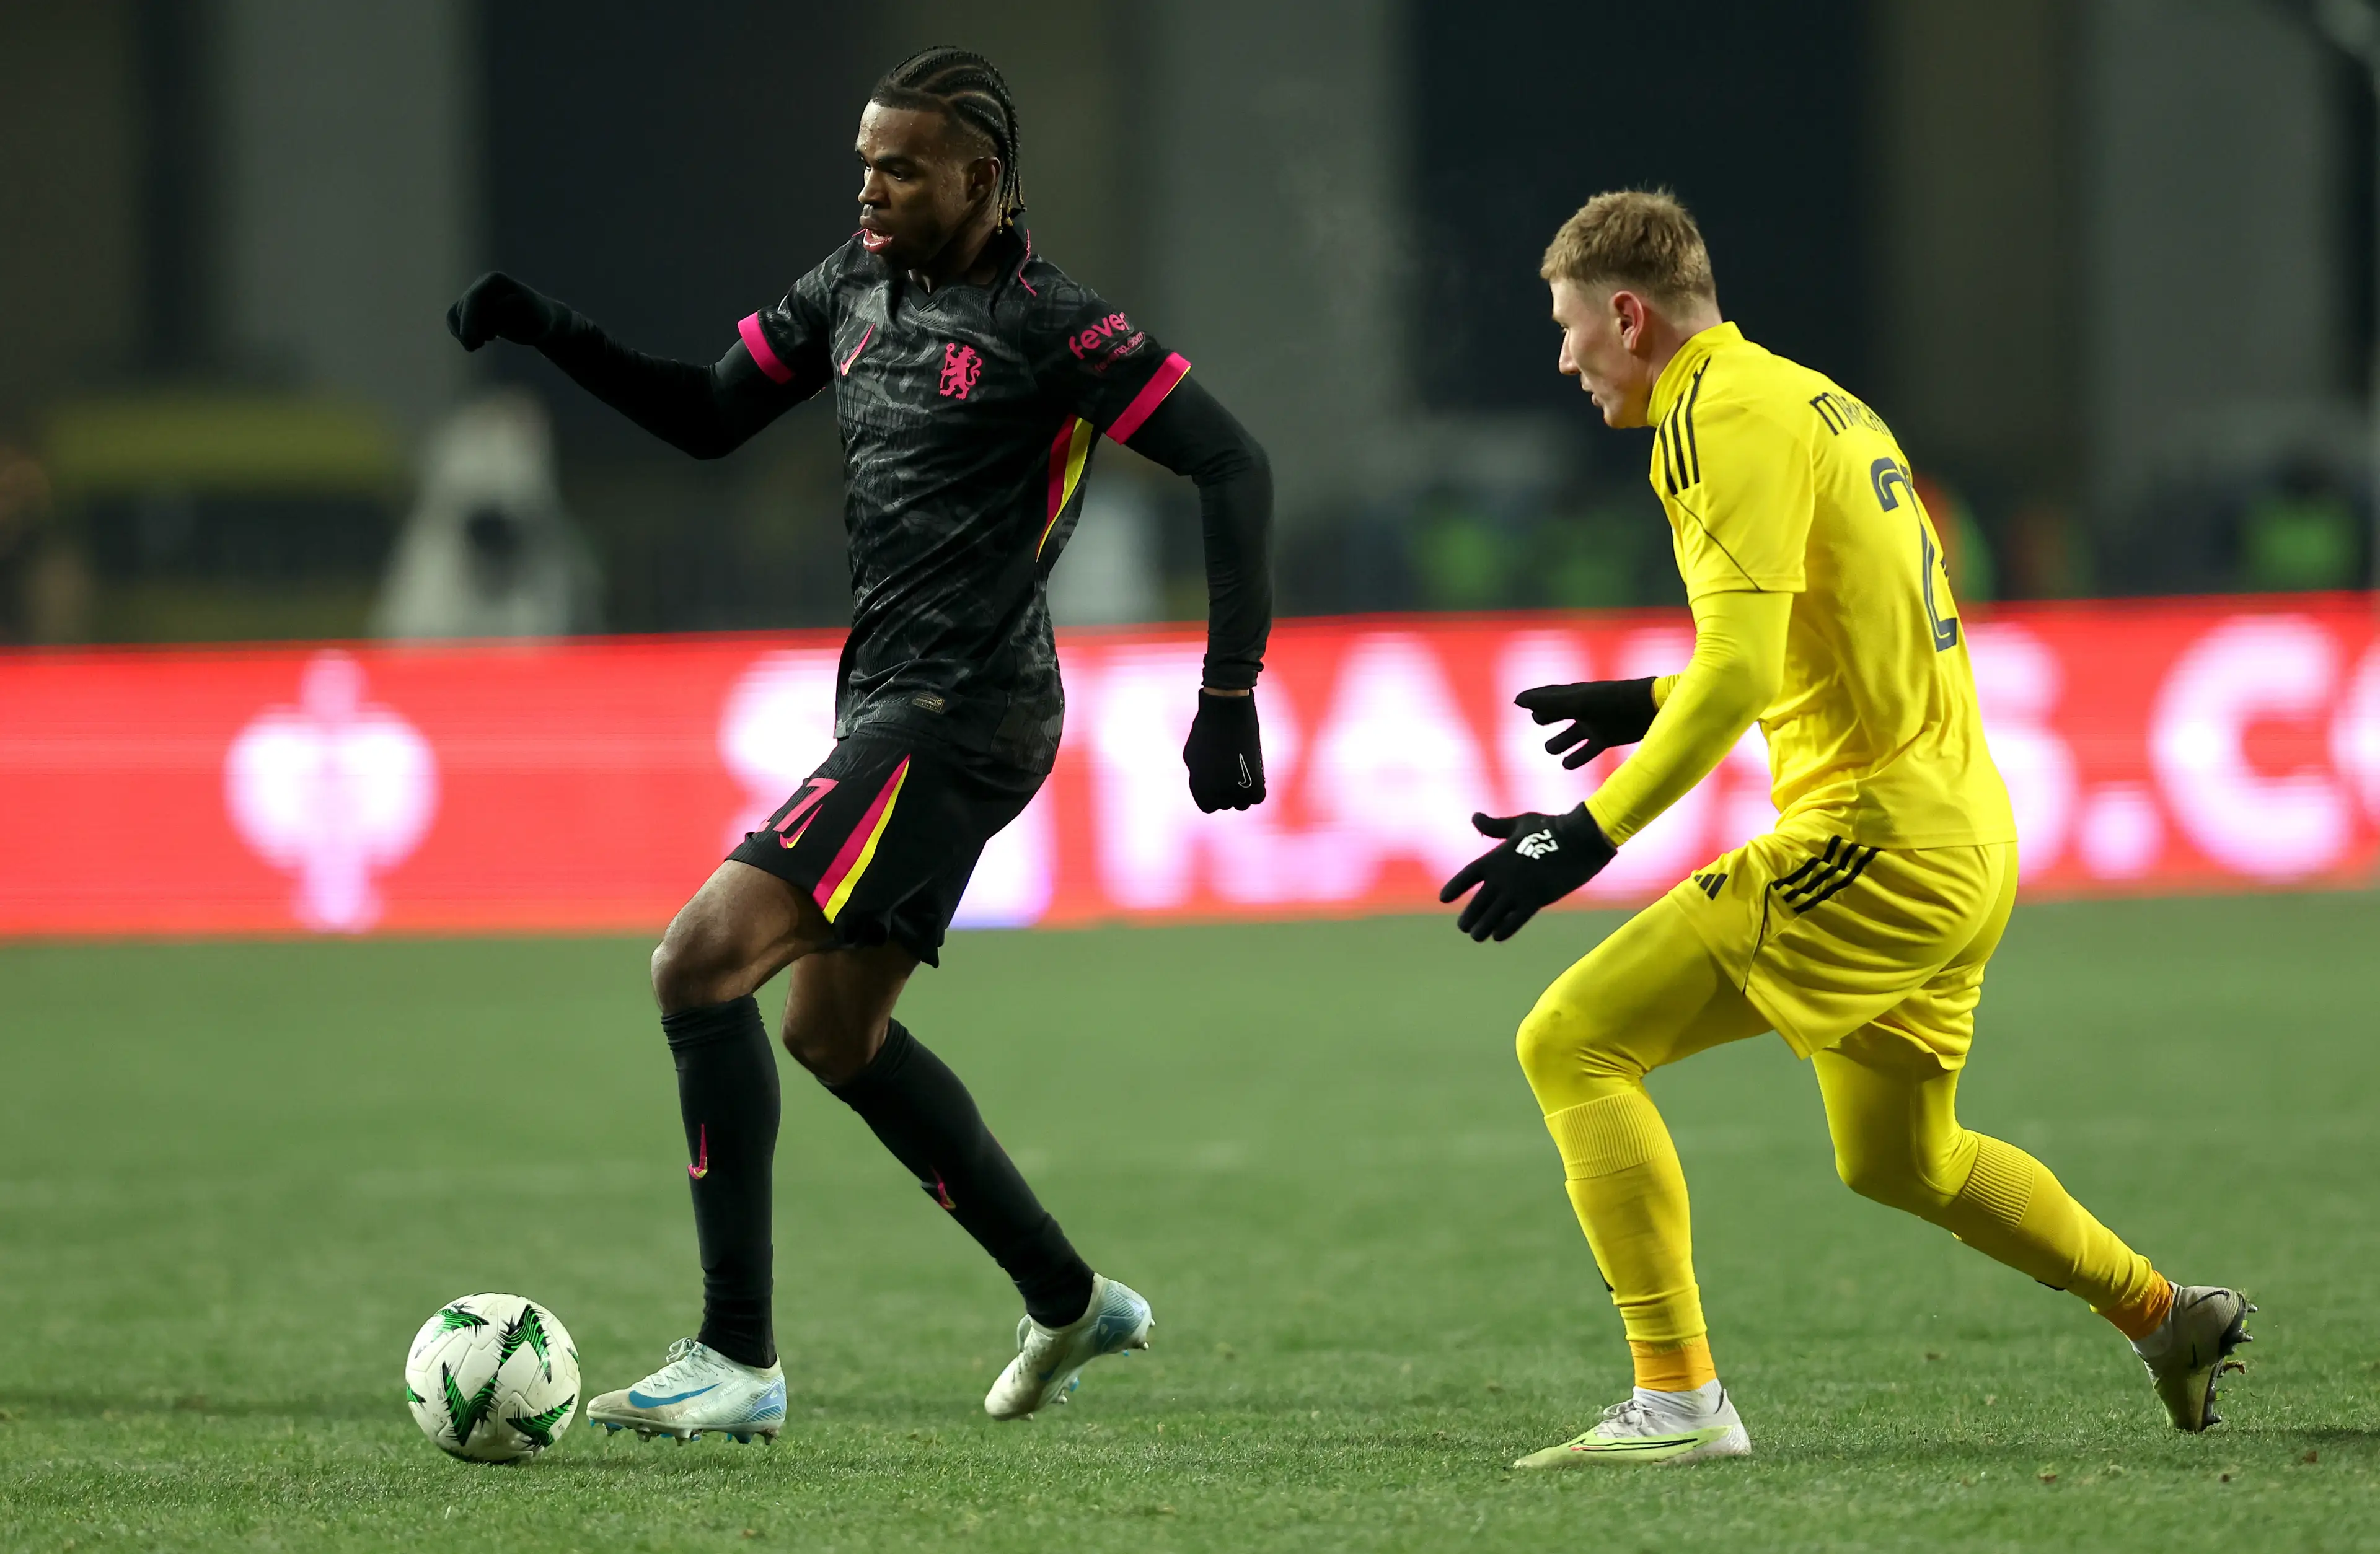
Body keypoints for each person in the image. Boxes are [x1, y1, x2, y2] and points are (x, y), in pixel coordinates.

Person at [447, 46, 1272, 1441]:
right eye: (865, 163)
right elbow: (708, 414)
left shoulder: (1053, 326)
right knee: (834, 1032)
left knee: (698, 962)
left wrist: (1229, 687)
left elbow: (1232, 460)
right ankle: (1067, 1298)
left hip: (963, 709)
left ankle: (738, 1354)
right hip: (890, 700)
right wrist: (551, 328)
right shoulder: (852, 284)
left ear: (984, 178)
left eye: (901, 168)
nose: (871, 189)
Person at [1437, 190, 2248, 1468]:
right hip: (1964, 838)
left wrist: (1585, 834)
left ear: (1628, 317)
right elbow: (1829, 636)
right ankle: (2164, 1315)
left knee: (1572, 1041)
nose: (1564, 357)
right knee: (1901, 1159)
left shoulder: (1709, 417)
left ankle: (1679, 1403)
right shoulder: (1819, 402)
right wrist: (1651, 699)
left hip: (1872, 841)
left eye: (1569, 325)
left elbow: (1743, 673)